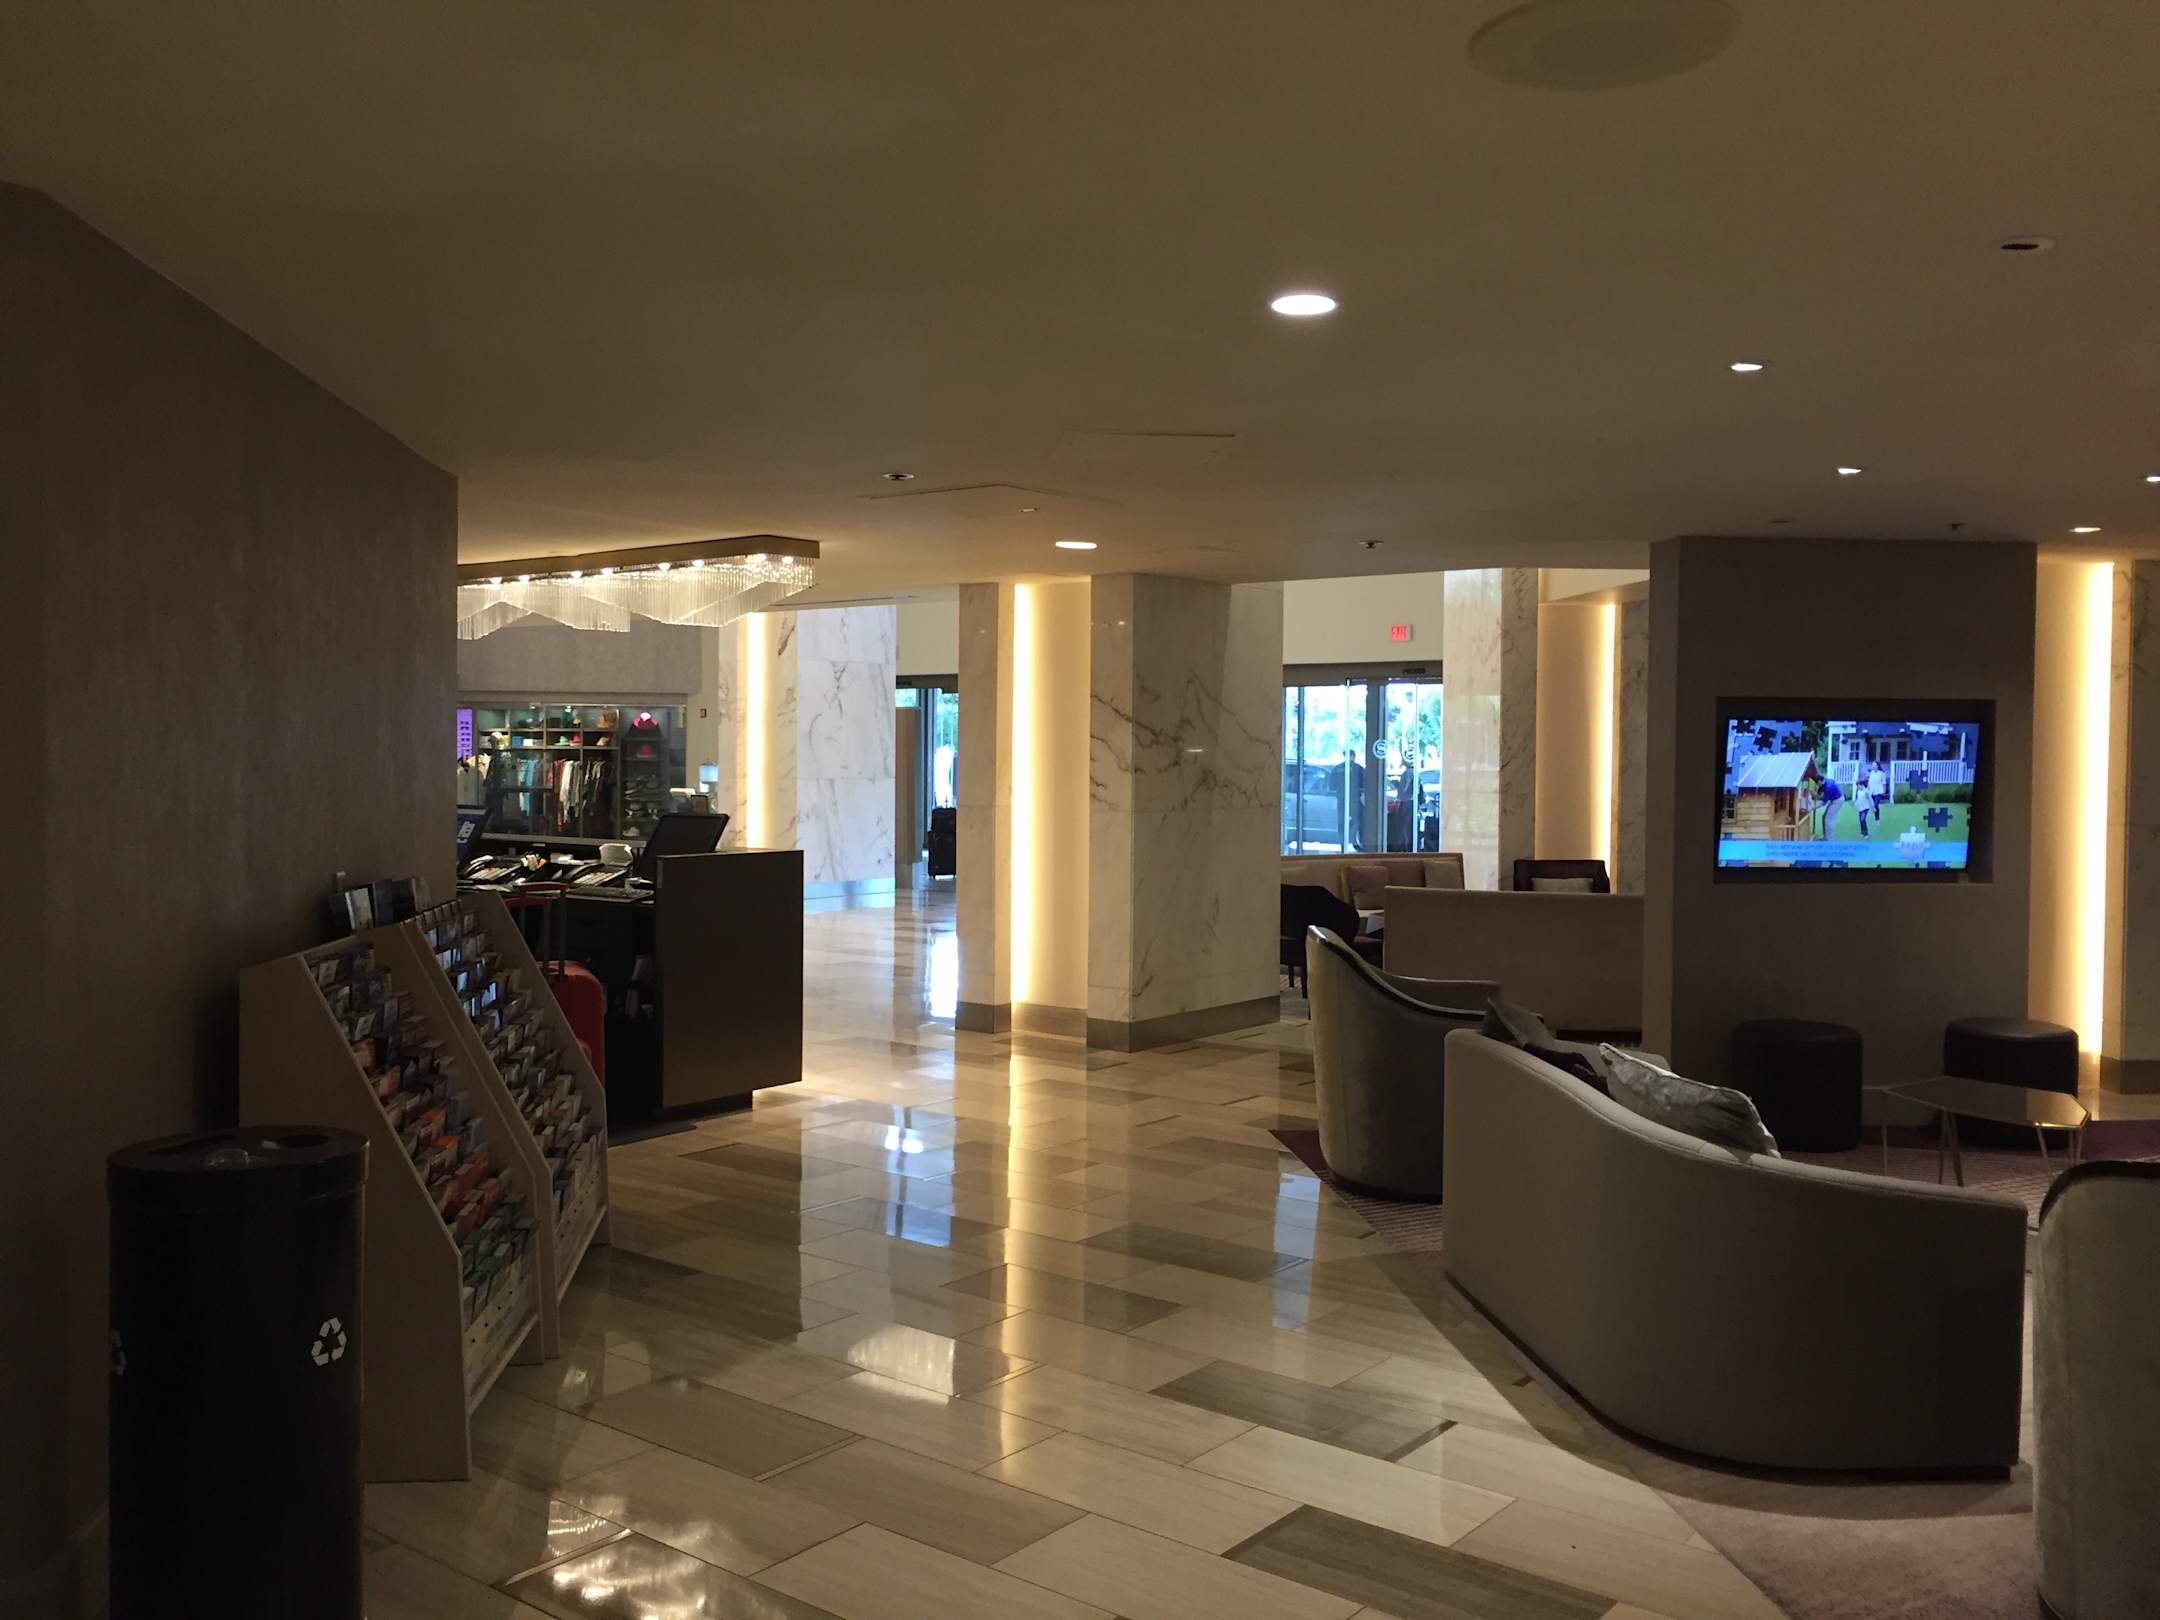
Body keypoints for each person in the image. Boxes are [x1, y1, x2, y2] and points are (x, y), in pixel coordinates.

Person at [1816, 769, 1843, 838]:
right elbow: (1820, 790)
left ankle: (1830, 839)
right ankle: (1825, 836)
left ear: (1820, 781)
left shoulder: (1828, 787)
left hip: (1838, 801)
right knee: (1824, 816)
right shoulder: (1825, 781)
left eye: (1817, 783)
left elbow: (1823, 802)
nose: (1817, 785)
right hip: (1834, 799)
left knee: (1828, 819)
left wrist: (1812, 808)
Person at [1853, 761, 1876, 837]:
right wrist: (1856, 804)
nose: (1857, 787)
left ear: (1861, 785)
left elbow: (1870, 799)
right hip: (1860, 808)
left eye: (1858, 786)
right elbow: (1858, 799)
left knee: (1863, 819)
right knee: (1861, 820)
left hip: (1865, 808)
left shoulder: (1866, 791)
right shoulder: (1858, 791)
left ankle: (1866, 833)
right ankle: (1862, 832)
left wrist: (1873, 807)